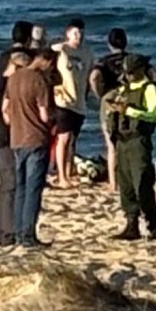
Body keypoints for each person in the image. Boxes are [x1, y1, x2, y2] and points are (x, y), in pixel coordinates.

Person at [0, 22, 38, 246]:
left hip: (2, 132)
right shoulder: (15, 79)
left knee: (7, 184)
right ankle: (8, 233)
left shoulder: (3, 74)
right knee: (13, 183)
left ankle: (2, 231)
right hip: (14, 133)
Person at [1, 46, 56, 247]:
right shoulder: (39, 80)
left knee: (21, 187)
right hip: (36, 138)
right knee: (34, 188)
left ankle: (17, 231)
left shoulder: (13, 79)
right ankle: (28, 235)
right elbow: (43, 114)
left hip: (17, 138)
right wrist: (52, 121)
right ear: (46, 61)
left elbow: (5, 109)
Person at [109, 54, 156, 240]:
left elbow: (154, 114)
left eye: (132, 72)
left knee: (142, 182)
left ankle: (153, 226)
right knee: (125, 183)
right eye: (127, 73)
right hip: (122, 141)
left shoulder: (150, 89)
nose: (129, 76)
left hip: (138, 140)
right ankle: (131, 224)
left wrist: (130, 111)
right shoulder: (123, 89)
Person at [49, 19, 88, 190]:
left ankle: (68, 171)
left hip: (79, 102)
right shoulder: (60, 49)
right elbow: (45, 61)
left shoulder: (87, 53)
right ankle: (61, 176)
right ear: (68, 34)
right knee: (63, 138)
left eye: (80, 33)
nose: (78, 36)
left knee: (72, 139)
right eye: (75, 33)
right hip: (63, 100)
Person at [91, 28, 134, 176]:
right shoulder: (133, 60)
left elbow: (94, 77)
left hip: (109, 99)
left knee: (111, 145)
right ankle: (127, 176)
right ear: (126, 43)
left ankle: (112, 181)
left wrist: (99, 94)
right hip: (128, 99)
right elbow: (154, 74)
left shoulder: (103, 62)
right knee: (128, 141)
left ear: (109, 44)